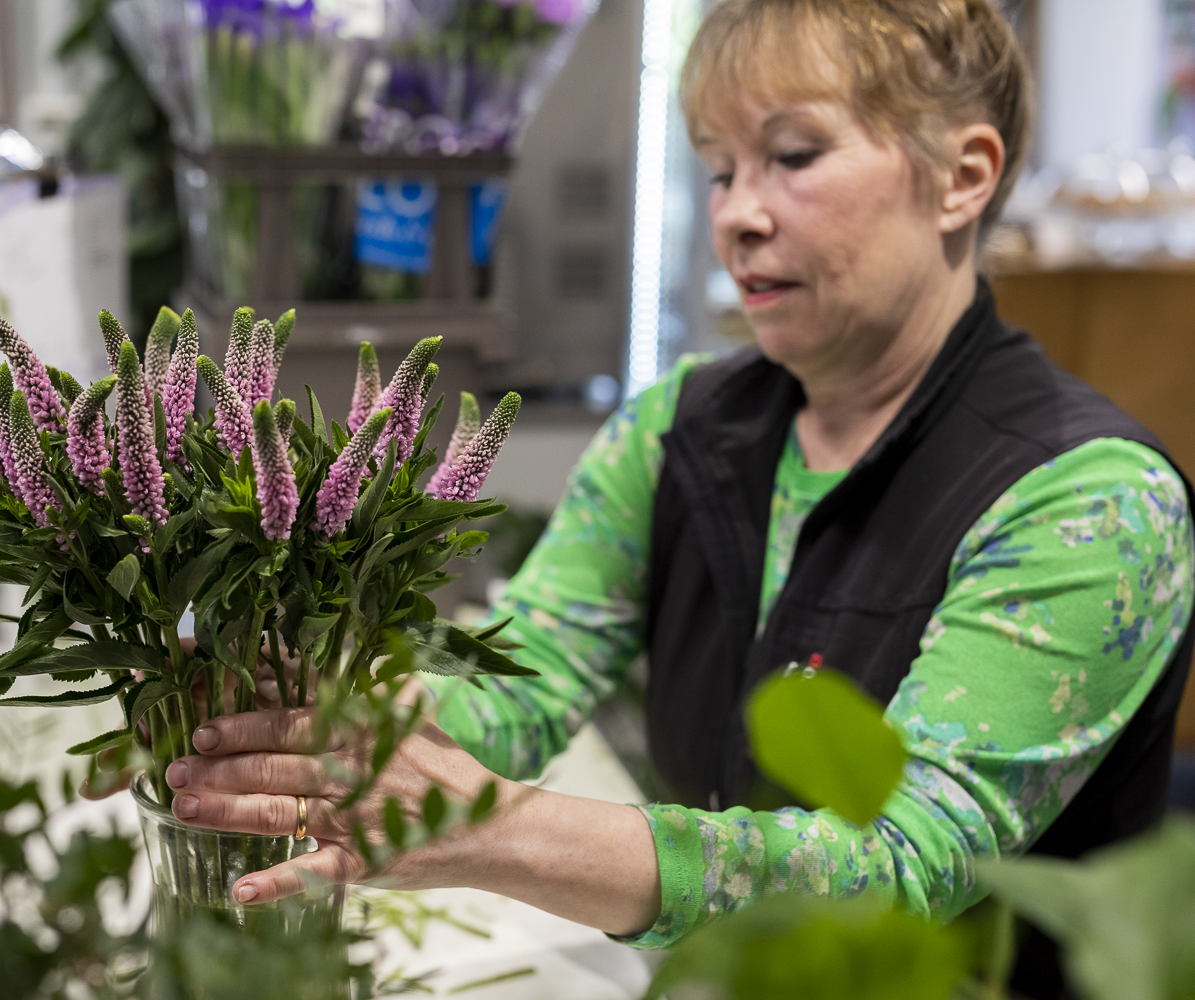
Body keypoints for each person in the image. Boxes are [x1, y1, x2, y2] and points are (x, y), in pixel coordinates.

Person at [151, 1, 1195, 994]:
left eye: (793, 156)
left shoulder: (1089, 500)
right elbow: (527, 671)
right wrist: (312, 735)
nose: (738, 213)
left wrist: (491, 825)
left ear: (962, 176)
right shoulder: (681, 428)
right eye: (719, 170)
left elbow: (900, 871)